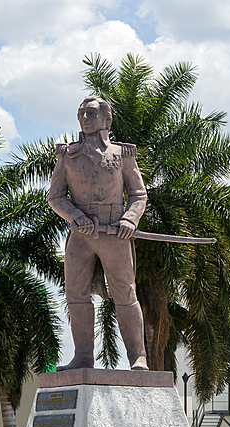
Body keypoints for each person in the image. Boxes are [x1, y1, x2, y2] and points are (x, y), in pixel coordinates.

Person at [47, 95, 149, 371]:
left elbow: (139, 194)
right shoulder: (67, 156)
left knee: (125, 293)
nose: (84, 118)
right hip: (80, 235)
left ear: (107, 119)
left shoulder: (122, 154)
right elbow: (55, 197)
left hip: (115, 233)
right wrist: (77, 217)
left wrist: (130, 219)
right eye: (81, 114)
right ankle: (83, 356)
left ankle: (137, 357)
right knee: (76, 294)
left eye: (91, 113)